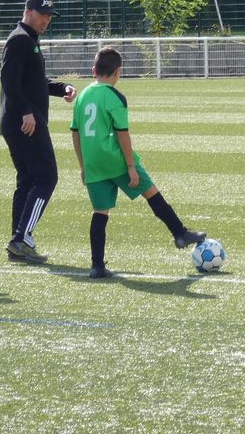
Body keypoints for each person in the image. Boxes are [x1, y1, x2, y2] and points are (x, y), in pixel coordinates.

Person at [70, 46, 206, 279]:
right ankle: (180, 233)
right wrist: (131, 166)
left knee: (100, 212)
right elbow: (122, 133)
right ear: (117, 72)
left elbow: (75, 133)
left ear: (94, 70)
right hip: (116, 160)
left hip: (92, 162)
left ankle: (97, 266)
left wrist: (83, 166)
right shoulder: (115, 96)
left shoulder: (82, 97)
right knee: (151, 192)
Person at [0, 0, 76, 263]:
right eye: (43, 14)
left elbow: (34, 80)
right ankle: (22, 238)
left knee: (28, 180)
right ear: (28, 11)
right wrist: (26, 111)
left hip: (18, 122)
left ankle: (17, 241)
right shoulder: (21, 39)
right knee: (46, 177)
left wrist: (61, 88)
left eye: (49, 16)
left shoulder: (28, 40)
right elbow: (9, 80)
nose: (46, 20)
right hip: (26, 123)